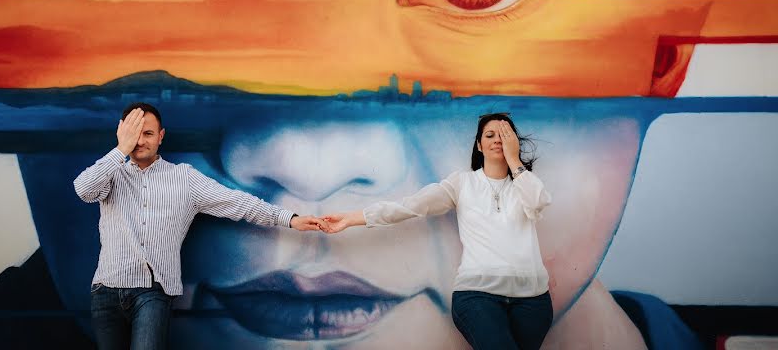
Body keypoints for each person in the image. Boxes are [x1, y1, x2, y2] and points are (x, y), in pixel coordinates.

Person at [73, 102, 325, 350]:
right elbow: (83, 189)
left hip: (152, 292)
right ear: (122, 133)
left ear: (161, 136)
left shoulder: (184, 178)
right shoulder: (111, 174)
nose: (140, 141)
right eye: (134, 134)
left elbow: (237, 202)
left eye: (148, 134)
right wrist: (120, 149)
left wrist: (289, 219)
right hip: (106, 289)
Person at [321, 114, 553, 350]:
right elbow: (410, 206)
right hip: (477, 295)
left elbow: (538, 202)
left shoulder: (526, 185)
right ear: (479, 145)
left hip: (532, 300)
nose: (497, 140)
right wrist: (353, 218)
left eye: (504, 136)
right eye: (489, 135)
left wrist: (514, 160)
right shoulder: (462, 184)